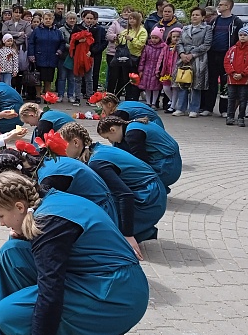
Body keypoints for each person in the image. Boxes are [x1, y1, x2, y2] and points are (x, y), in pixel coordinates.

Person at [0, 171, 148, 335]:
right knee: (11, 252)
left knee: (8, 314)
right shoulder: (43, 198)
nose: (1, 223)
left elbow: (50, 293)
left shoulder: (48, 226)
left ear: (19, 206)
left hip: (118, 294)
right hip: (103, 278)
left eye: (1, 216)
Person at [60, 122, 167, 250]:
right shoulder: (96, 149)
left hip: (150, 197)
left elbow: (125, 194)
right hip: (153, 190)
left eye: (63, 146)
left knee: (99, 201)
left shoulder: (96, 162)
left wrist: (127, 235)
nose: (61, 150)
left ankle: (126, 233)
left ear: (76, 142)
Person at [97, 116, 182, 190]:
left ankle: (155, 189)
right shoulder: (131, 125)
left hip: (168, 167)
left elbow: (142, 164)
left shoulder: (132, 135)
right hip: (172, 163)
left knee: (128, 176)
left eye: (108, 137)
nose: (110, 141)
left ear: (113, 129)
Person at [204, 0, 244, 117]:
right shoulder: (215, 21)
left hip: (226, 55)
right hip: (213, 54)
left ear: (228, 7)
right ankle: (208, 107)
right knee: (211, 81)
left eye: (221, 5)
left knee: (225, 83)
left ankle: (224, 110)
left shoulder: (236, 21)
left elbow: (238, 40)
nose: (219, 6)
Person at [175, 7, 212, 117]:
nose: (194, 17)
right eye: (193, 15)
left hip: (198, 58)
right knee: (183, 82)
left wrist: (192, 54)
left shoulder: (207, 28)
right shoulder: (185, 28)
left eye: (197, 15)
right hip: (184, 58)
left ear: (203, 17)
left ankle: (194, 109)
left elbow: (207, 45)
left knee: (196, 84)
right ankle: (181, 108)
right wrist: (182, 54)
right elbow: (180, 43)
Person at [111, 12, 148, 101]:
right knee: (125, 79)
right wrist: (118, 39)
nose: (131, 20)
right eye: (130, 19)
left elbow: (141, 45)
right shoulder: (126, 30)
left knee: (134, 79)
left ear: (138, 20)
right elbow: (121, 44)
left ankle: (134, 97)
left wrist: (131, 39)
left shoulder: (142, 31)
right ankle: (128, 97)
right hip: (125, 58)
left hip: (135, 57)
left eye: (134, 19)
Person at [27, 11, 64, 98]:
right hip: (38, 58)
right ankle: (38, 95)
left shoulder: (57, 32)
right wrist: (31, 55)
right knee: (38, 79)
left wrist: (59, 51)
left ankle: (47, 96)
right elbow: (31, 43)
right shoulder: (37, 31)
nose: (48, 20)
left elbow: (62, 43)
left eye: (50, 19)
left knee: (48, 79)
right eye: (46, 19)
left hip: (51, 58)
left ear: (53, 20)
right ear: (42, 20)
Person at [77, 9, 107, 100]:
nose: (90, 20)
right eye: (88, 18)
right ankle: (82, 91)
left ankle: (91, 92)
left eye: (92, 18)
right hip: (82, 53)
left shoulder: (99, 29)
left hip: (94, 54)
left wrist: (93, 51)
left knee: (93, 73)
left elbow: (100, 42)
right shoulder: (79, 27)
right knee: (82, 74)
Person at [97, 92, 164, 128]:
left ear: (109, 104)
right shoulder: (121, 105)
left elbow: (118, 130)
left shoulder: (120, 112)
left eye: (102, 106)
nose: (101, 109)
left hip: (153, 124)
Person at [138, 27, 168, 108]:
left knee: (156, 87)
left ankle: (154, 102)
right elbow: (143, 59)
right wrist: (141, 69)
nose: (154, 39)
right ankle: (148, 102)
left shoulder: (163, 47)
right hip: (147, 69)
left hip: (156, 70)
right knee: (147, 87)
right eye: (152, 37)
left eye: (156, 38)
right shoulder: (147, 47)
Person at [224, 26, 248, 126]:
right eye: (240, 35)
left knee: (243, 99)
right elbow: (227, 62)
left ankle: (241, 117)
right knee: (231, 98)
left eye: (245, 35)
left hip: (245, 80)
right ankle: (230, 116)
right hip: (232, 79)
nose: (242, 37)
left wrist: (242, 74)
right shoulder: (232, 49)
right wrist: (233, 73)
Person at [106, 6, 132, 91]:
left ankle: (118, 95)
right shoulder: (115, 23)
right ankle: (110, 94)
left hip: (127, 54)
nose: (126, 13)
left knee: (123, 77)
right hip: (113, 53)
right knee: (113, 76)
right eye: (125, 12)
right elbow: (108, 35)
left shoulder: (134, 25)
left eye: (129, 12)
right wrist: (117, 36)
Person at [159, 27, 182, 114]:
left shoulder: (180, 48)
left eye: (178, 37)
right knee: (166, 87)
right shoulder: (166, 47)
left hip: (176, 71)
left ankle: (172, 106)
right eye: (174, 37)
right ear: (170, 37)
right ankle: (172, 100)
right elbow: (161, 59)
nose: (176, 38)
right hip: (167, 71)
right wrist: (159, 69)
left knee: (175, 88)